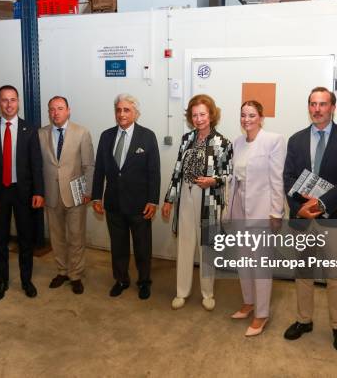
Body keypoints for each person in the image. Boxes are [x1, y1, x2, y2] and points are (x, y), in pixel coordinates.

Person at [282, 87, 337, 352]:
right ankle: (304, 320)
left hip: (334, 216)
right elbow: (288, 178)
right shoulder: (296, 140)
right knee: (303, 272)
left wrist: (323, 203)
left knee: (335, 275)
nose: (317, 109)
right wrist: (298, 207)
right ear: (309, 107)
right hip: (302, 217)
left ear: (332, 107)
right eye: (313, 104)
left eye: (323, 104)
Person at [162, 94, 232, 311]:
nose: (199, 119)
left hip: (208, 198)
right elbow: (176, 171)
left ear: (211, 115)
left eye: (202, 114)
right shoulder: (186, 139)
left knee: (206, 247)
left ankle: (207, 293)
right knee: (184, 244)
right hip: (185, 195)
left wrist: (214, 180)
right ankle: (181, 292)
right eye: (194, 115)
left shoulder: (223, 142)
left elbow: (229, 175)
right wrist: (168, 199)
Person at [226, 100, 286, 336]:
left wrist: (276, 212)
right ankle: (248, 302)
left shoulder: (273, 140)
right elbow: (234, 179)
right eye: (243, 115)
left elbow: (277, 178)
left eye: (251, 115)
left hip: (262, 210)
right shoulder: (237, 142)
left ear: (261, 118)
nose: (247, 119)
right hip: (240, 206)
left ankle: (261, 314)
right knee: (244, 260)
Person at [92, 94, 160, 299]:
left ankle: (144, 282)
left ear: (135, 113)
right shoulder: (106, 136)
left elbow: (153, 172)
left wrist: (152, 200)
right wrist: (96, 197)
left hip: (140, 204)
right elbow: (100, 170)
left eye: (126, 110)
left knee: (142, 247)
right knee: (118, 246)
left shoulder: (147, 136)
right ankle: (121, 279)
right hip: (113, 203)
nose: (122, 114)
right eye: (118, 110)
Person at [0, 85, 44, 300]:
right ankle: (2, 282)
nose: (9, 104)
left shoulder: (30, 129)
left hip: (23, 192)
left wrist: (39, 191)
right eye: (4, 100)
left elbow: (36, 163)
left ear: (18, 102)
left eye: (13, 100)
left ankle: (27, 281)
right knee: (0, 239)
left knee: (26, 239)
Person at [40, 96, 94, 295]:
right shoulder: (41, 134)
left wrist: (88, 191)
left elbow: (88, 164)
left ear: (68, 110)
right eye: (52, 109)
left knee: (76, 236)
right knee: (57, 237)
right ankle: (62, 271)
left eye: (60, 108)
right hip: (51, 194)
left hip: (76, 193)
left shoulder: (82, 133)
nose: (56, 113)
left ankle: (76, 275)